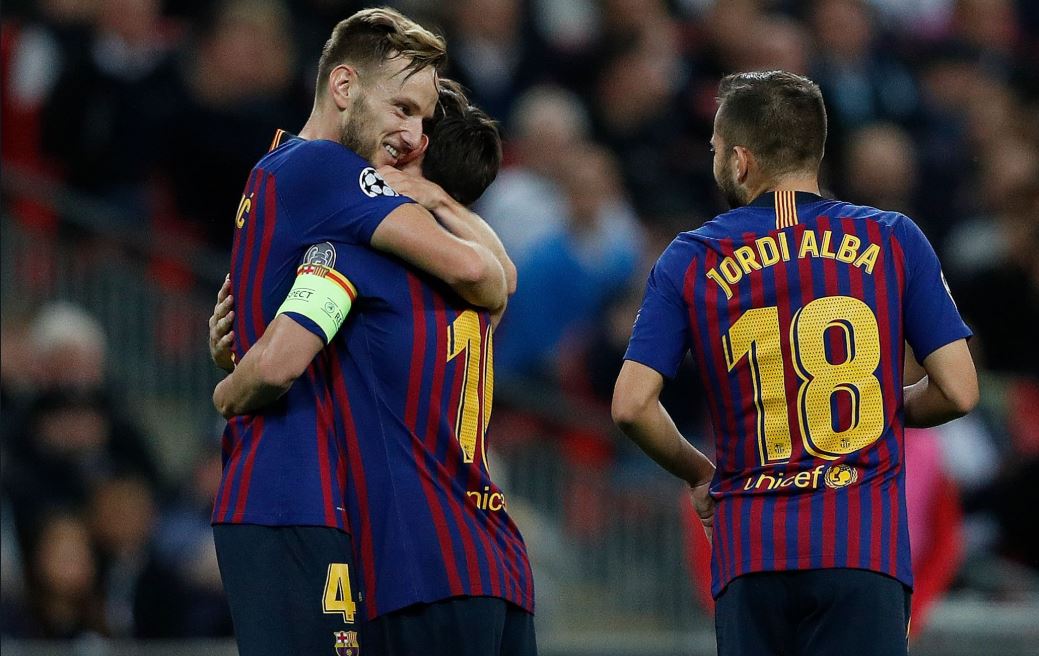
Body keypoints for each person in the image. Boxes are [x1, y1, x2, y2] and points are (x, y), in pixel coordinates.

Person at [611, 71, 978, 656]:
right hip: (861, 549)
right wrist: (876, 408)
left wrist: (699, 473)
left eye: (715, 149)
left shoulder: (691, 256)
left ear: (740, 160)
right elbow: (959, 390)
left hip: (750, 551)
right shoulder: (894, 238)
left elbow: (632, 405)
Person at [203, 9, 512, 656]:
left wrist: (234, 360)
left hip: (301, 495)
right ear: (343, 86)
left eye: (423, 120)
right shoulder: (329, 170)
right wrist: (231, 390)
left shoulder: (282, 166)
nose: (412, 136)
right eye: (402, 108)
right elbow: (484, 275)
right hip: (293, 496)